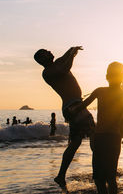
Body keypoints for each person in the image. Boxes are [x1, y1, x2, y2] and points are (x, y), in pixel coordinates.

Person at [34, 46, 95, 189]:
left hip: (74, 106)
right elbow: (65, 68)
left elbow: (64, 57)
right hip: (73, 107)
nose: (49, 52)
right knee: (94, 134)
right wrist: (72, 55)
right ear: (41, 60)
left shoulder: (57, 63)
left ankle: (61, 176)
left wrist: (72, 49)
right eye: (45, 53)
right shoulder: (48, 72)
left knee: (75, 143)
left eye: (47, 51)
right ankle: (99, 170)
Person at [81, 62, 123, 194]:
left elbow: (81, 107)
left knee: (101, 178)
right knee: (107, 177)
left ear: (107, 76)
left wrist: (70, 109)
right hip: (111, 138)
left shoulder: (101, 91)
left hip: (103, 138)